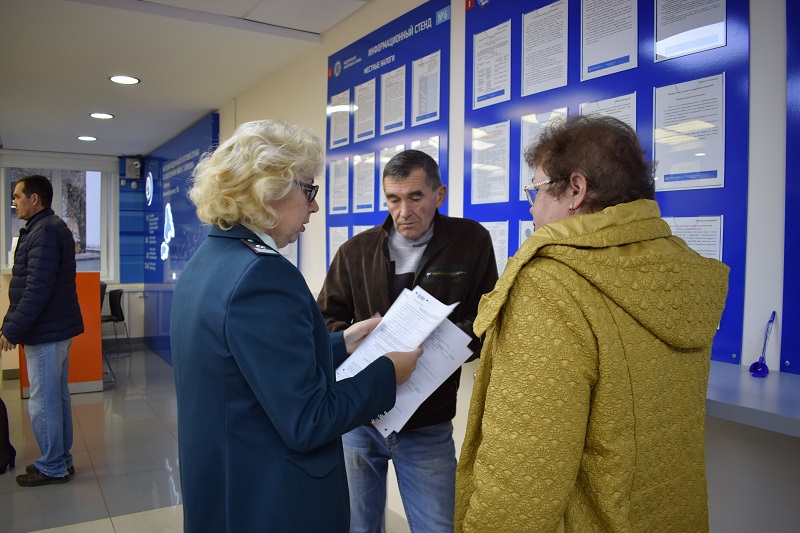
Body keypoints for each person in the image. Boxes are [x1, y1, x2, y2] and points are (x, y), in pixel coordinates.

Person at [454, 114, 730, 533]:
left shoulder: (552, 286)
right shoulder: (677, 271)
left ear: (576, 190)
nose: (531, 207)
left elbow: (523, 477)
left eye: (537, 190)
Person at [170, 119, 423, 533]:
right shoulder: (263, 276)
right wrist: (387, 373)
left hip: (227, 486)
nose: (314, 206)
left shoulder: (209, 262)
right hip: (275, 500)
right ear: (267, 190)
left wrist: (342, 342)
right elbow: (308, 421)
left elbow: (249, 366)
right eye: (308, 189)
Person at [318, 149, 499, 533]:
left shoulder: (471, 241)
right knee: (358, 526)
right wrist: (356, 338)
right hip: (359, 417)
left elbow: (488, 317)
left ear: (439, 194)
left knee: (437, 526)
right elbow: (325, 321)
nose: (404, 212)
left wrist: (444, 343)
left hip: (427, 421)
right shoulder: (356, 251)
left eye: (416, 197)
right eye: (394, 199)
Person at [0, 174, 83, 487]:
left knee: (43, 403)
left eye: (18, 196)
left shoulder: (44, 231)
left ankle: (52, 466)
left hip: (46, 333)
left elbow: (36, 289)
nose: (15, 202)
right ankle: (61, 459)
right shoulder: (44, 228)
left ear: (35, 199)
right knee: (55, 398)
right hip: (52, 330)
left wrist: (12, 330)